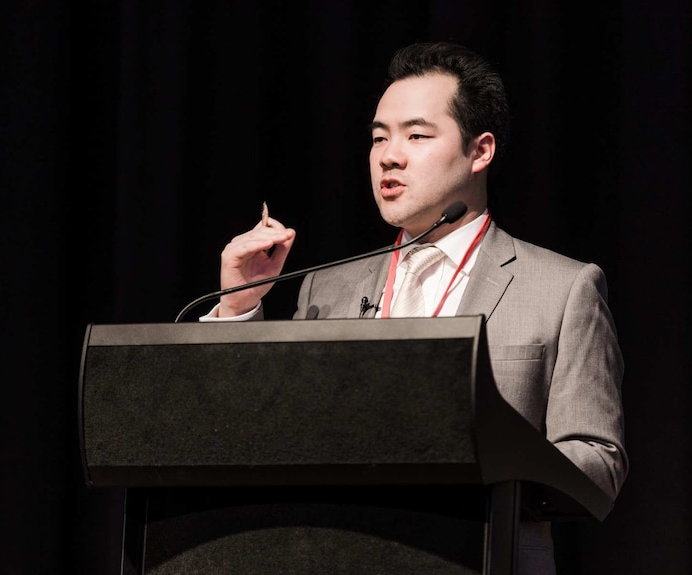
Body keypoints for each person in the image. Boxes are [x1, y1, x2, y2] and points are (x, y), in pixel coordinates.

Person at [203, 41, 627, 574]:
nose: (389, 155)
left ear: (481, 151)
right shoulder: (326, 288)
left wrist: (484, 455)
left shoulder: (563, 289)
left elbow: (599, 465)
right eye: (379, 137)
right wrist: (239, 305)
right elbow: (251, 436)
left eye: (417, 135)